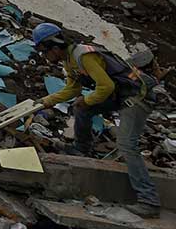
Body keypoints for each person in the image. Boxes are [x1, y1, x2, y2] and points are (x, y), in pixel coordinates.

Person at [33, 23, 161, 218]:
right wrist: (45, 102)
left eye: (44, 51)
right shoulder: (69, 61)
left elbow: (106, 86)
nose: (44, 56)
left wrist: (86, 100)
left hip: (136, 98)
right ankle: (82, 149)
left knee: (127, 145)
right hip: (120, 96)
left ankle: (148, 201)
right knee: (80, 107)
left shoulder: (84, 56)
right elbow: (73, 89)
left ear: (54, 46)